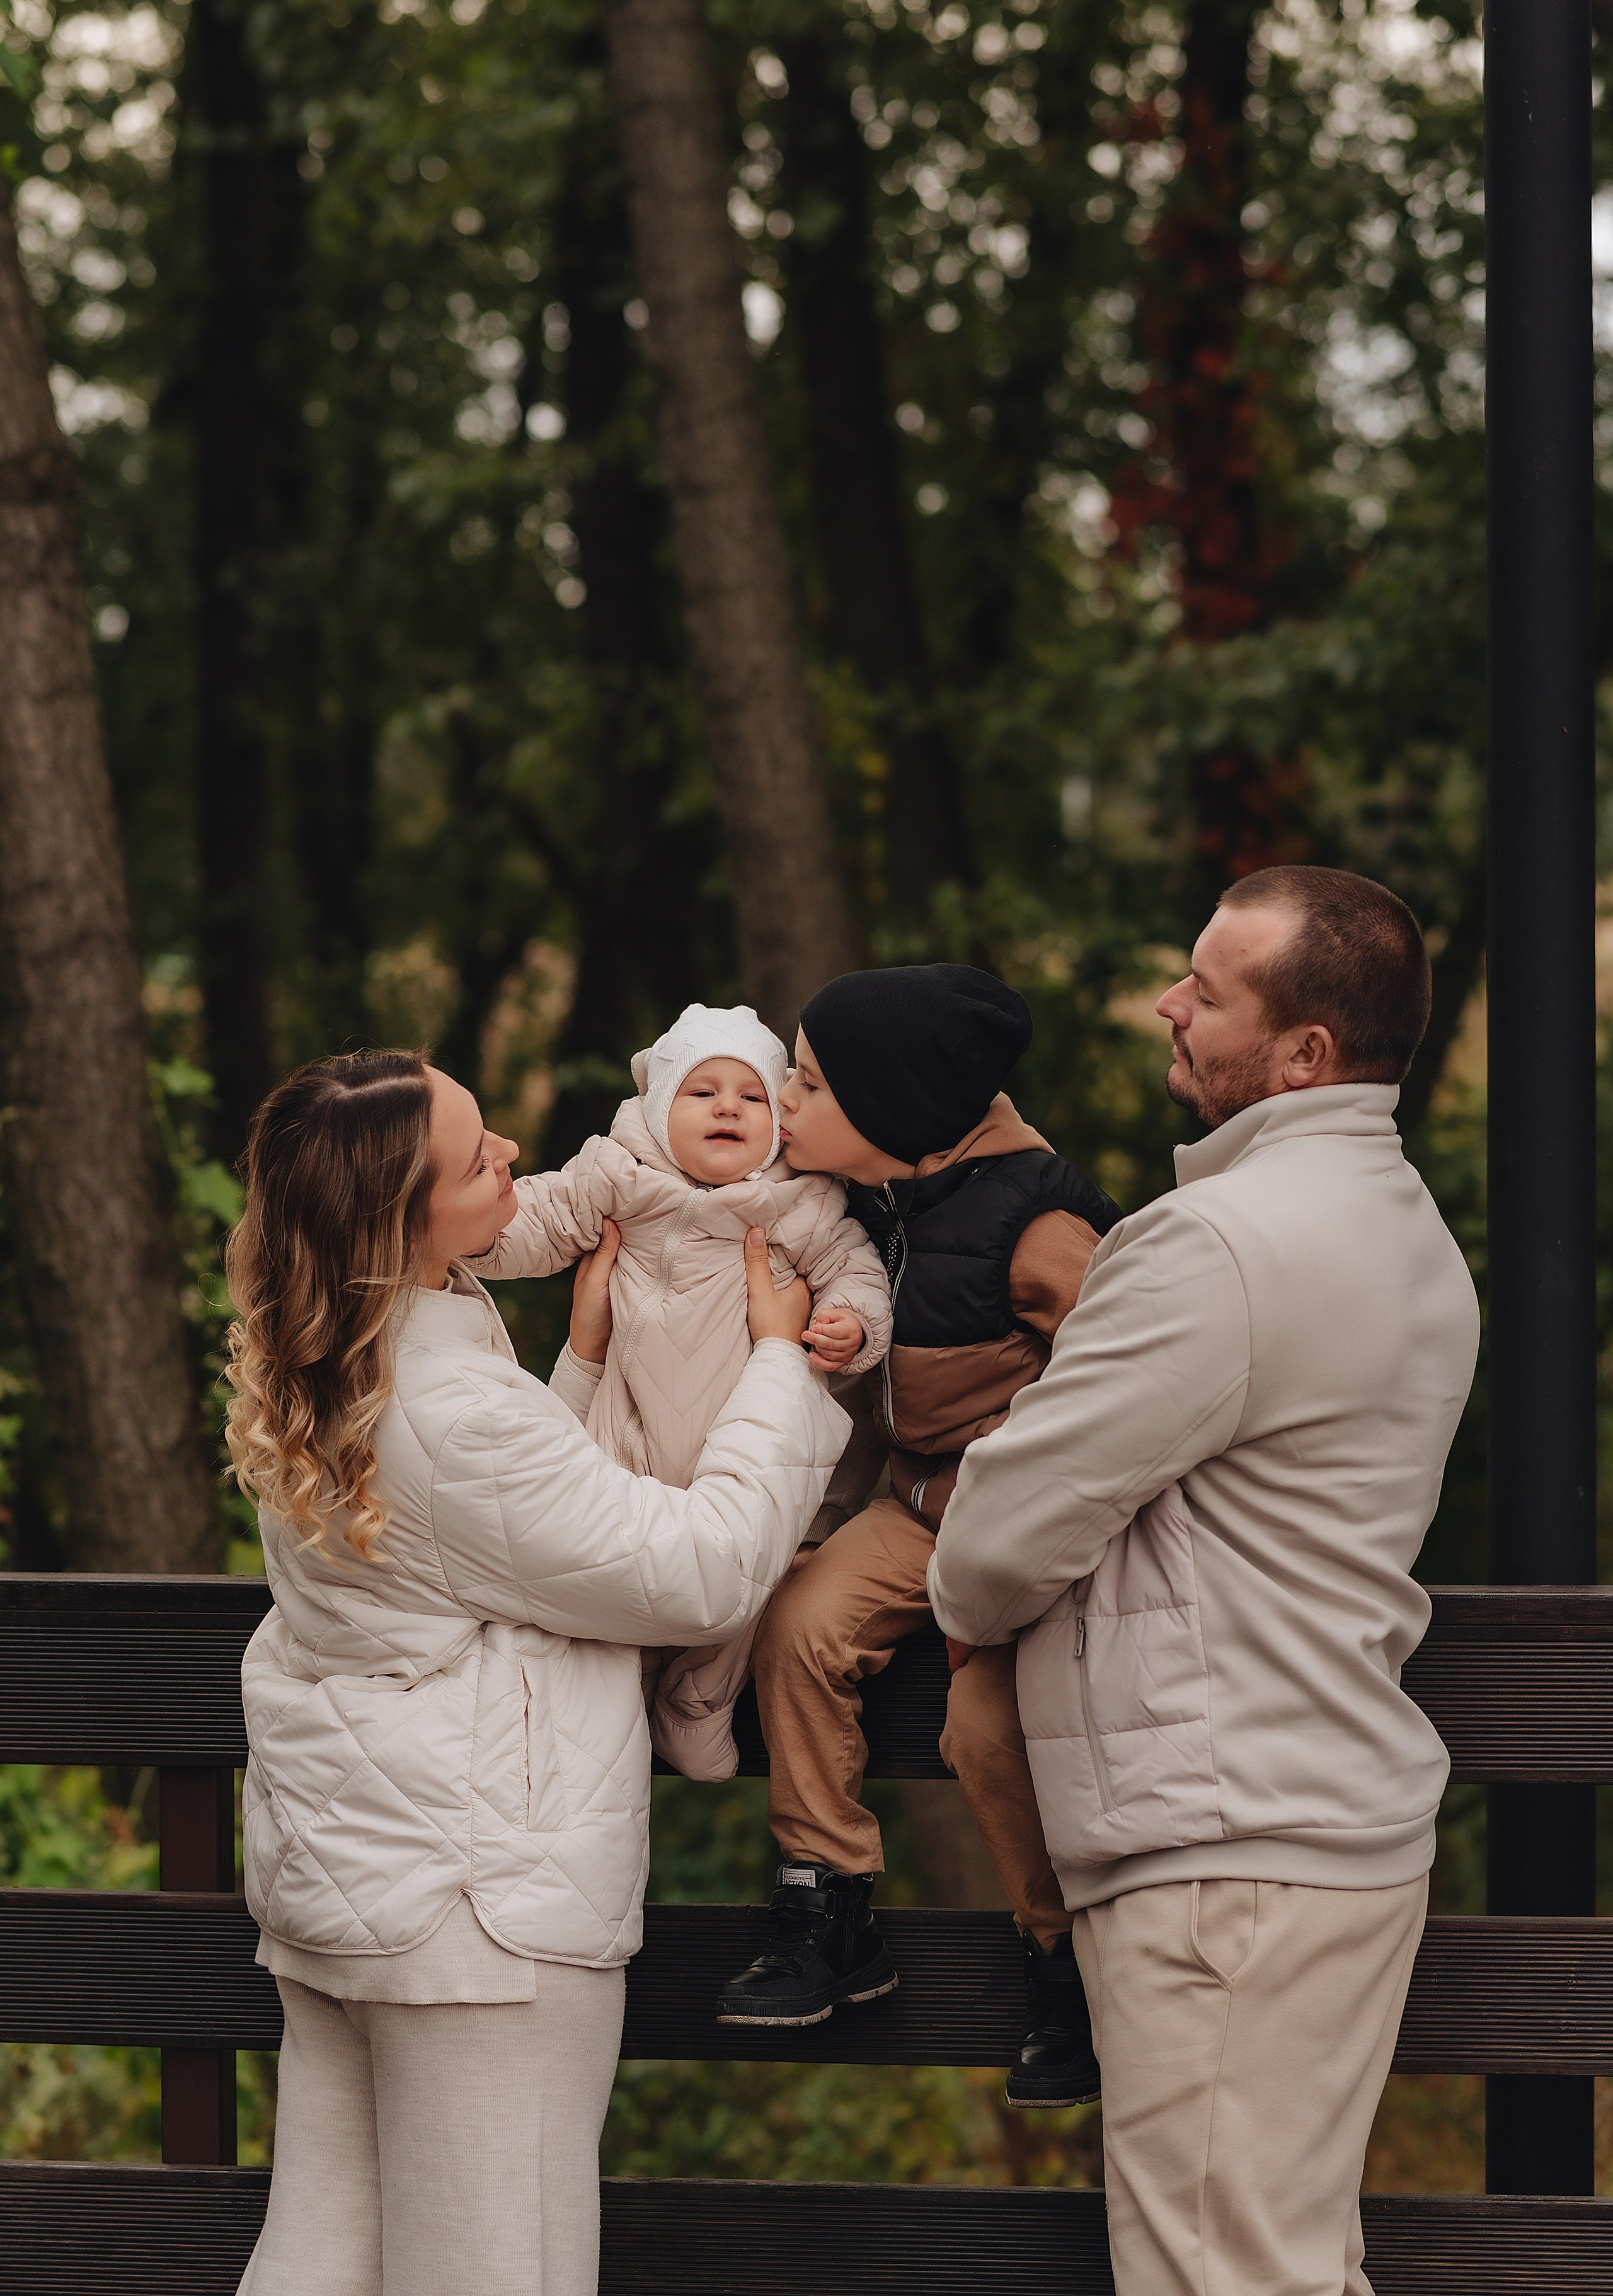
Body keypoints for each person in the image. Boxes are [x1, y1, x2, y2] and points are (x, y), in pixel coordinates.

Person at [929, 868, 1481, 2296]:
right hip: (1316, 1822)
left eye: (1209, 990)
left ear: (1301, 1054)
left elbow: (992, 1545)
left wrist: (967, 1573)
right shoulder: (1404, 1226)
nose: (1169, 1006)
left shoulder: (1213, 1246)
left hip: (1219, 1848)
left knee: (1216, 2274)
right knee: (1276, 2262)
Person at [226, 1048, 849, 2296]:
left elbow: (494, 1537)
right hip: (478, 1913)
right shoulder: (452, 1406)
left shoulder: (339, 1357)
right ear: (403, 1222)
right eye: (475, 1155)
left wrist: (574, 1363)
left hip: (358, 1879)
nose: (512, 1147)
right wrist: (782, 1365)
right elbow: (700, 1569)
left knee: (323, 2255)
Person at [715, 964, 1124, 2113]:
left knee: (987, 1727)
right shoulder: (863, 1205)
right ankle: (827, 1901)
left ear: (890, 1111)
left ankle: (1065, 1963)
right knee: (795, 1623)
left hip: (1029, 1536)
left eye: (805, 1082)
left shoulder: (1041, 1227)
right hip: (917, 1504)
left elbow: (1142, 1391)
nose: (780, 1099)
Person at [465, 1001, 890, 1777]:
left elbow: (856, 1268)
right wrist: (483, 1236)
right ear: (660, 1110)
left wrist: (851, 1324)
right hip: (624, 1432)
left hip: (742, 1443)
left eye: (752, 1096)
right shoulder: (618, 1175)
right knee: (606, 1571)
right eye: (702, 1092)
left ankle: (696, 1704)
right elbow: (545, 1214)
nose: (728, 1107)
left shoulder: (803, 1200)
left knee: (759, 1572)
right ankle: (614, 1707)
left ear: (779, 1121)